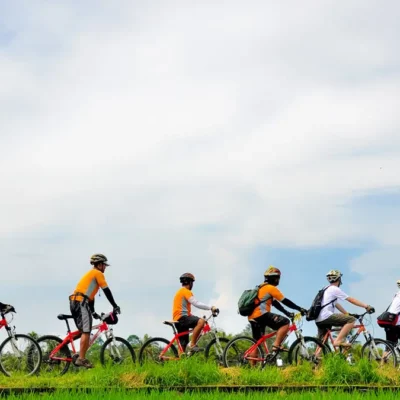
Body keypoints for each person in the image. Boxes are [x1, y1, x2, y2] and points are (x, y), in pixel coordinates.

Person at [69, 254, 120, 368]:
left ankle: (73, 352)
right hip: (80, 302)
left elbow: (90, 296)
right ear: (99, 264)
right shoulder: (97, 273)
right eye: (104, 265)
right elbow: (107, 291)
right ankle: (81, 359)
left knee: (84, 330)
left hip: (78, 301)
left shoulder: (91, 275)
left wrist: (92, 312)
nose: (105, 268)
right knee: (87, 331)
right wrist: (115, 306)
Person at [248, 266, 307, 352]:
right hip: (261, 315)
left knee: (256, 343)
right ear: (274, 278)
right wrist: (300, 308)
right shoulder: (271, 288)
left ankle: (251, 364)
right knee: (285, 322)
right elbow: (285, 301)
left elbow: (275, 303)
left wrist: (287, 312)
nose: (278, 280)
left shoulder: (261, 287)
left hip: (252, 317)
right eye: (277, 278)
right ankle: (276, 345)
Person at [315, 269, 374, 347]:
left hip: (319, 318)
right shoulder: (335, 289)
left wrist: (346, 313)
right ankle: (338, 341)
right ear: (339, 279)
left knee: (322, 343)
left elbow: (336, 304)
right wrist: (366, 306)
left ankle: (316, 357)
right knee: (351, 320)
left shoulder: (325, 288)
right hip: (326, 316)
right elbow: (351, 300)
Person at [172, 273, 218, 354]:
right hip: (182, 318)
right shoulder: (185, 291)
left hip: (179, 320)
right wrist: (211, 307)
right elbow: (196, 303)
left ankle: (179, 363)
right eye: (192, 282)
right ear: (189, 282)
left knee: (183, 346)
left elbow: (186, 312)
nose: (192, 284)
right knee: (201, 322)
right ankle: (192, 344)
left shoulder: (180, 291)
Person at [380, 280, 400, 346]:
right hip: (395, 324)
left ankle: (383, 356)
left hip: (389, 322)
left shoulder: (396, 294)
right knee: (391, 345)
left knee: (389, 347)